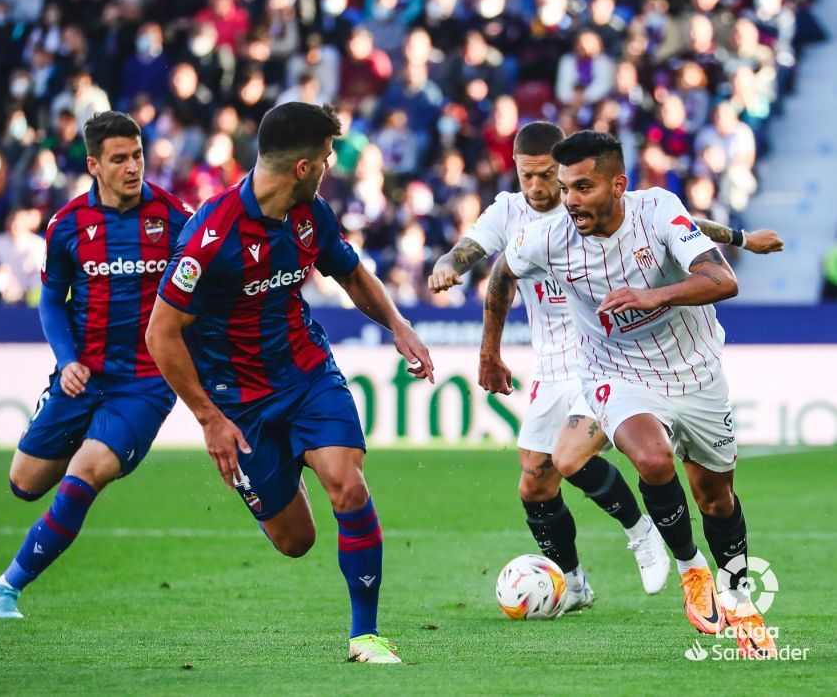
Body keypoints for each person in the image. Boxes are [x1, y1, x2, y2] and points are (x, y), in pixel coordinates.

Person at [430, 122, 782, 611]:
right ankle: (664, 565)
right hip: (601, 369)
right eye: (550, 183)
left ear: (616, 185)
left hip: (687, 366)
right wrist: (484, 342)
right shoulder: (535, 230)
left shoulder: (650, 208)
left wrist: (725, 248)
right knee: (573, 472)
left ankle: (725, 588)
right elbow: (497, 268)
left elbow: (706, 255)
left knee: (712, 498)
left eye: (571, 184)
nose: (559, 196)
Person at [145, 102, 434, 664]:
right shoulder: (210, 235)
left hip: (306, 374)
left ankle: (365, 636)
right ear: (302, 167)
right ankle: (281, 468)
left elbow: (351, 274)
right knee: (295, 541)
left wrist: (398, 325)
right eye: (326, 157)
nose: (331, 165)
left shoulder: (311, 213)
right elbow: (161, 334)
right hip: (238, 402)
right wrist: (209, 420)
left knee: (348, 485)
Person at [0, 111, 195, 619]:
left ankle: (7, 588)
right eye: (119, 159)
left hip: (145, 382)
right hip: (82, 376)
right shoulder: (67, 225)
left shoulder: (175, 218)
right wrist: (67, 360)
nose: (133, 167)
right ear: (94, 165)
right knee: (24, 484)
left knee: (85, 474)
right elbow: (51, 300)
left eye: (137, 155)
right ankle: (93, 438)